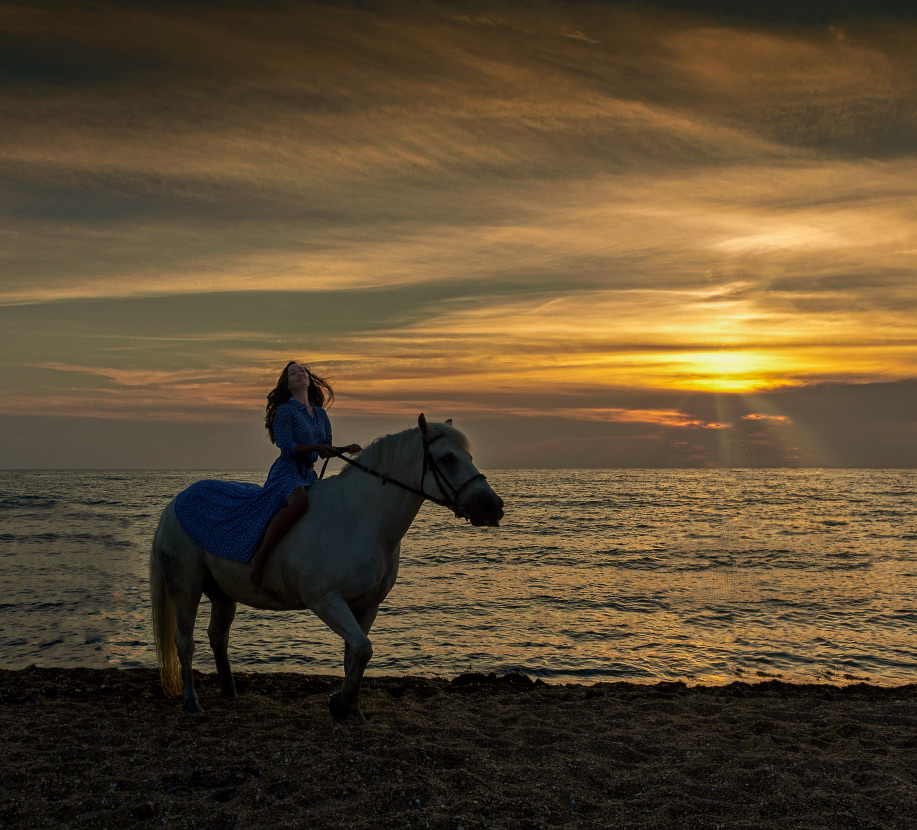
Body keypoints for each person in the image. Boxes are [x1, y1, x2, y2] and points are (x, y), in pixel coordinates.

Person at [173, 361, 361, 587]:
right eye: (293, 373)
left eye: (302, 370)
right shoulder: (285, 410)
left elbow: (324, 452)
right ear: (288, 384)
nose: (300, 373)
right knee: (299, 503)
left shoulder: (320, 415)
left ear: (308, 379)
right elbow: (287, 446)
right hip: (287, 471)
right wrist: (317, 448)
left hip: (308, 473)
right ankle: (261, 556)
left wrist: (344, 449)